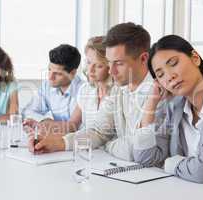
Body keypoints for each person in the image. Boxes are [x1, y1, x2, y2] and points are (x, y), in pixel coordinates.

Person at [28, 22, 156, 161]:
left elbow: (139, 153)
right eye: (109, 63)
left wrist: (107, 145)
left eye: (118, 63)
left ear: (143, 59)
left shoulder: (159, 92)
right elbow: (98, 132)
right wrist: (57, 143)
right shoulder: (120, 89)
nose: (111, 71)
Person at [134, 35, 203, 192]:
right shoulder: (174, 107)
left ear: (195, 58)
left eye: (173, 63)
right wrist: (151, 104)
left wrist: (170, 163)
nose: (170, 76)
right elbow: (146, 159)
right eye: (160, 74)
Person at [22, 44, 83, 133]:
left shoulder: (84, 91)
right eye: (49, 70)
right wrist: (45, 121)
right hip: (55, 137)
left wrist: (50, 125)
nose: (50, 77)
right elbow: (28, 112)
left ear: (72, 73)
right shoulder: (47, 86)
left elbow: (74, 128)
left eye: (57, 73)